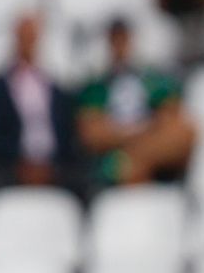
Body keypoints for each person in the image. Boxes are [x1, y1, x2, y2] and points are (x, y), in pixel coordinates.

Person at [0, 13, 85, 198]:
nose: (27, 42)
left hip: (54, 167)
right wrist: (21, 164)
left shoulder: (54, 88)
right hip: (10, 167)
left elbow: (67, 133)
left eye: (31, 36)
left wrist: (47, 165)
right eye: (23, 36)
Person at [77, 18, 197, 188]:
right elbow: (92, 134)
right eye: (115, 40)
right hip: (116, 156)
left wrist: (137, 140)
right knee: (127, 168)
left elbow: (173, 118)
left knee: (186, 132)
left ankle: (139, 159)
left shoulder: (153, 79)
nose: (120, 45)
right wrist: (140, 132)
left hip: (143, 149)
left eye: (123, 39)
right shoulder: (96, 86)